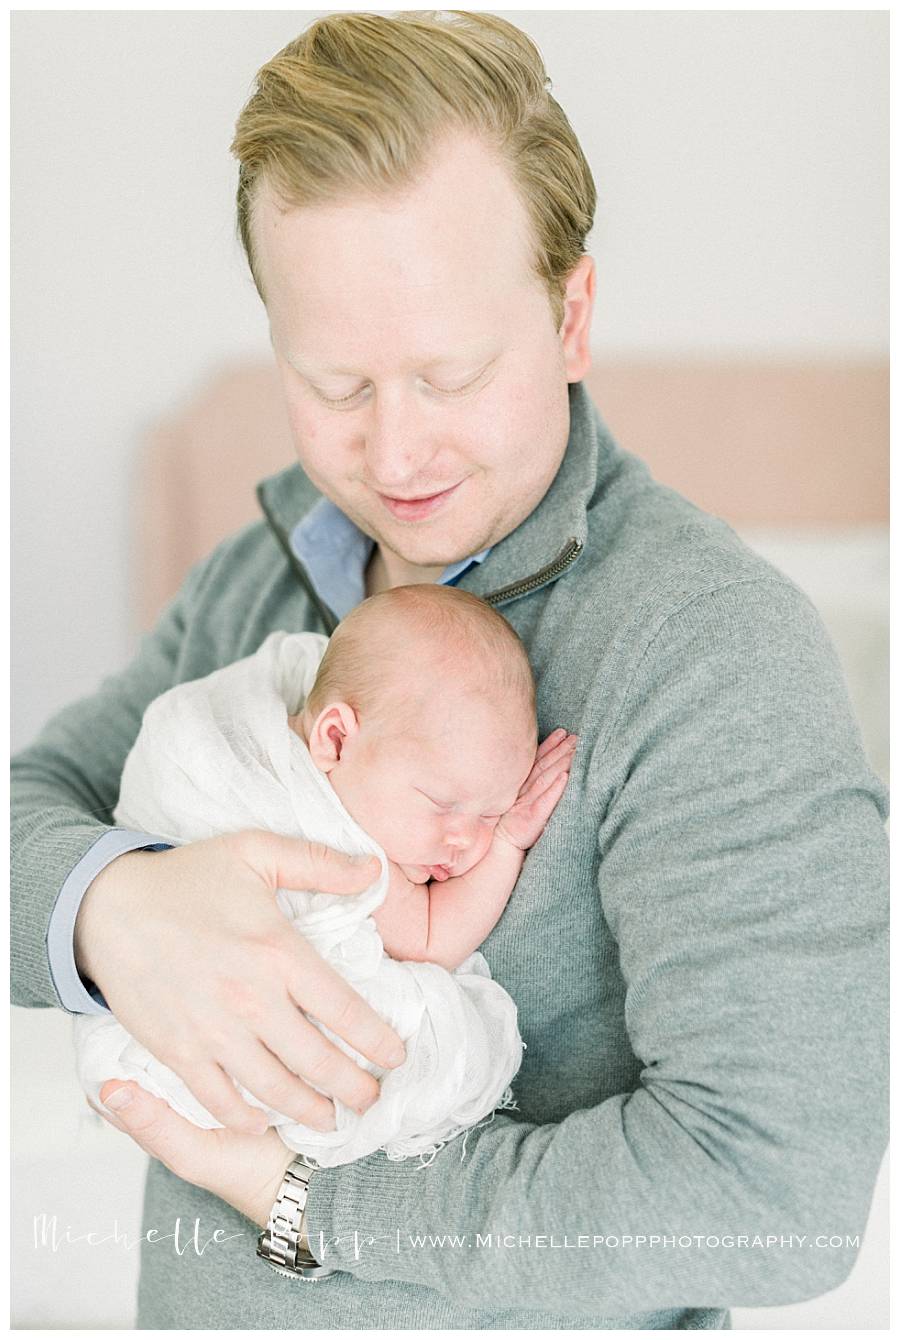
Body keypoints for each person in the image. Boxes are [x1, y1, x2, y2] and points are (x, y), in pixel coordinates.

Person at [11, 10, 888, 1330]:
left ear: (572, 313)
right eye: (336, 384)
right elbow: (34, 808)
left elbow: (773, 1192)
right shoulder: (257, 583)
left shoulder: (710, 652)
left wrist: (306, 1198)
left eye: (450, 372)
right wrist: (112, 914)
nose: (396, 453)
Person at [74, 585, 576, 1165]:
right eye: (441, 804)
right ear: (334, 738)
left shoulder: (362, 767)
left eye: (493, 813)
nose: (466, 841)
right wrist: (511, 842)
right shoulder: (337, 837)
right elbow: (429, 940)